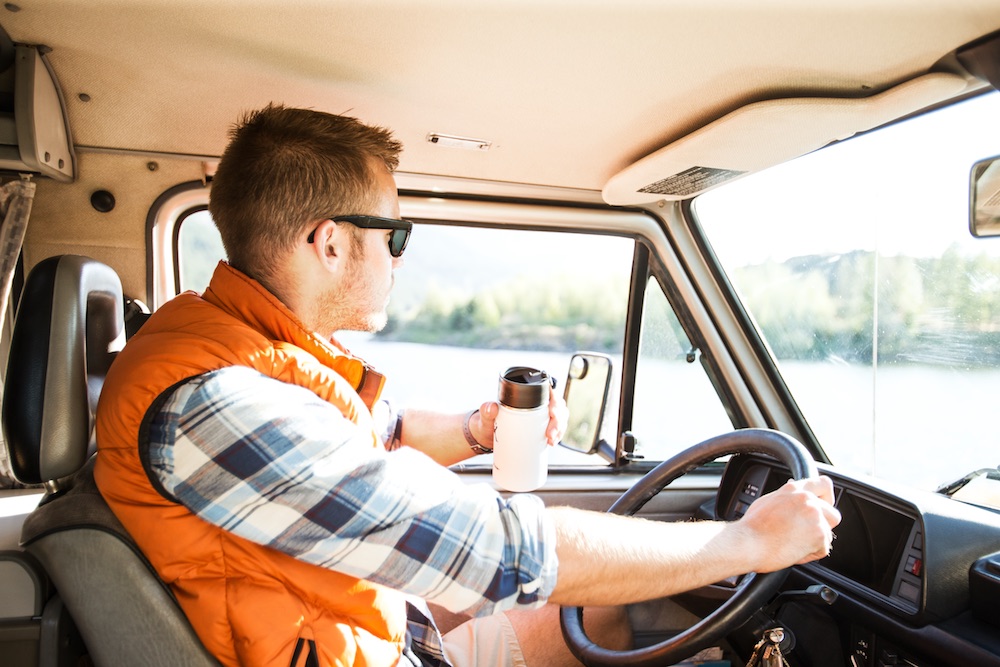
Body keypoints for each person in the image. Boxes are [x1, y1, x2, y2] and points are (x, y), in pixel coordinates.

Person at [94, 104, 841, 667]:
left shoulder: (235, 344)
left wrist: (481, 428)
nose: (400, 255)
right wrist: (746, 538)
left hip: (330, 617)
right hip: (341, 647)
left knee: (593, 614)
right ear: (328, 243)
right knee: (592, 615)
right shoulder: (219, 400)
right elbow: (497, 551)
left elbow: (377, 432)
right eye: (394, 233)